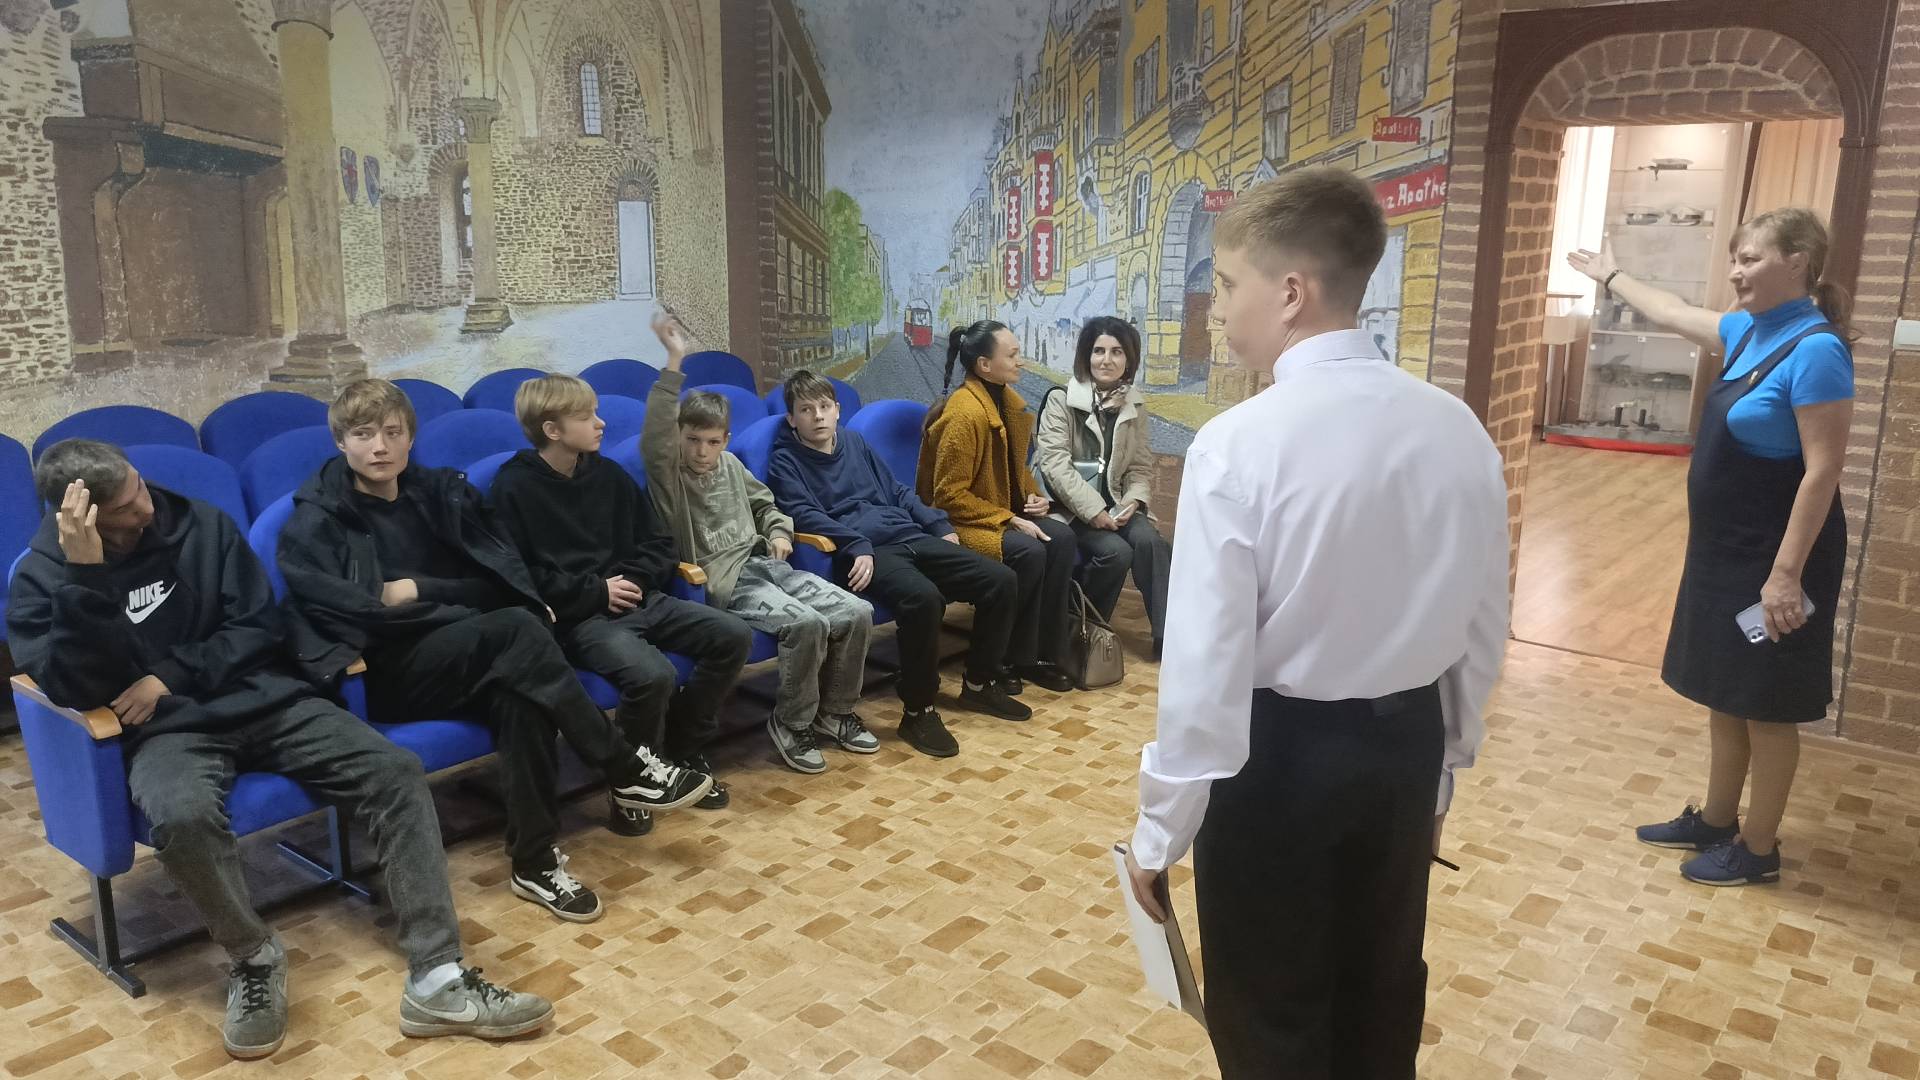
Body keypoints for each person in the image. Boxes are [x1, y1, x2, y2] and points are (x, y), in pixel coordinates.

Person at [1121, 166, 1510, 1078]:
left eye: (1227, 284)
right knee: (1381, 992)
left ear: (1291, 291)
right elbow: (1482, 627)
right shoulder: (1457, 428)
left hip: (1278, 763)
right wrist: (1442, 777)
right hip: (1404, 747)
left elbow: (1207, 673)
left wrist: (1156, 837)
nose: (1218, 309)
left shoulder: (1237, 445)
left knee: (1271, 1010)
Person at [6, 440, 552, 1059]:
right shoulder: (44, 577)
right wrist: (85, 580)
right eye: (127, 507)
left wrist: (171, 676)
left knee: (395, 771)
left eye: (141, 485)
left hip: (263, 697)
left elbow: (257, 626)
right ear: (81, 518)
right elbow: (72, 687)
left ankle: (437, 976)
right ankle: (253, 958)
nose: (147, 507)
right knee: (182, 816)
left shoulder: (200, 524)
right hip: (167, 734)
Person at [277, 379, 714, 924]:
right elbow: (356, 615)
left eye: (392, 432)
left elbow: (498, 580)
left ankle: (535, 863)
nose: (380, 447)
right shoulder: (316, 521)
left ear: (411, 436)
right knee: (514, 630)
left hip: (474, 648)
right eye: (364, 435)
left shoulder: (441, 494)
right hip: (391, 674)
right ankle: (623, 765)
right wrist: (457, 608)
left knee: (523, 698)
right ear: (341, 442)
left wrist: (417, 590)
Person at [1569, 207, 1854, 887]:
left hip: (1779, 561)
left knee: (1767, 703)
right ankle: (1719, 819)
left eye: (1751, 259)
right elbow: (1670, 310)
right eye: (1734, 258)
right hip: (1726, 554)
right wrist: (1611, 276)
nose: (1735, 272)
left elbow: (1822, 472)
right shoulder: (1747, 330)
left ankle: (1758, 850)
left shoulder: (1816, 350)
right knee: (1726, 690)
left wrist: (1785, 575)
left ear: (1798, 263)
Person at [488, 372, 754, 827]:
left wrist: (631, 580)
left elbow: (658, 543)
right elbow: (518, 578)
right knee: (653, 675)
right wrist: (597, 591)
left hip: (640, 598)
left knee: (732, 635)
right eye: (586, 417)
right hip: (581, 618)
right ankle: (632, 782)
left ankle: (679, 752)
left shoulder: (607, 474)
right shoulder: (513, 488)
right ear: (552, 430)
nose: (601, 423)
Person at [636, 316, 877, 774]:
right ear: (679, 438)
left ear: (725, 440)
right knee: (806, 624)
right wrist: (674, 360)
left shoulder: (731, 465)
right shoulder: (670, 477)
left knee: (856, 612)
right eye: (692, 440)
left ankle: (835, 712)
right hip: (725, 582)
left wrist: (780, 532)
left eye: (711, 441)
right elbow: (654, 437)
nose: (701, 451)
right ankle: (792, 724)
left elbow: (767, 506)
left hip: (768, 567)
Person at [766, 369, 1031, 758]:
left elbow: (895, 490)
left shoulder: (854, 442)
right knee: (923, 599)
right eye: (806, 410)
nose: (818, 416)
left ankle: (980, 683)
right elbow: (805, 514)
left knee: (1000, 580)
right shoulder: (785, 461)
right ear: (792, 419)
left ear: (837, 410)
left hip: (910, 534)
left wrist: (937, 525)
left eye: (824, 407)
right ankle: (918, 711)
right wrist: (857, 543)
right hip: (866, 552)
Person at [918, 321, 1077, 693]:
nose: (1021, 361)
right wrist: (1010, 519)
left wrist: (1034, 496)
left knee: (1062, 538)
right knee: (1029, 551)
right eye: (1013, 355)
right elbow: (947, 496)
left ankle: (1041, 655)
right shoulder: (964, 413)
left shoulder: (1007, 402)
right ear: (984, 365)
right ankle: (1003, 657)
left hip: (995, 514)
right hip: (960, 523)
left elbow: (1015, 469)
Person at [1033, 315, 1172, 654]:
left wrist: (1134, 502)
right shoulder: (1062, 399)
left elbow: (1139, 465)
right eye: (1098, 351)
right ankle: (1083, 632)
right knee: (1116, 552)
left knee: (1151, 543)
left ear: (1129, 359)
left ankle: (1168, 638)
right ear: (1086, 355)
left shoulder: (1134, 405)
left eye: (1116, 351)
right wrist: (1095, 511)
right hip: (1070, 508)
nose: (1106, 360)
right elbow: (1055, 465)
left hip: (1117, 504)